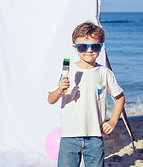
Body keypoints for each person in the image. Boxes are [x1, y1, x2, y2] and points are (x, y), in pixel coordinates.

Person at [48, 22, 125, 167]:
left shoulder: (104, 73)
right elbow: (50, 99)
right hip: (69, 136)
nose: (89, 50)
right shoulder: (68, 72)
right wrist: (59, 90)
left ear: (101, 47)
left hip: (95, 136)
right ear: (75, 48)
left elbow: (120, 97)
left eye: (95, 46)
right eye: (83, 46)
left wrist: (113, 121)